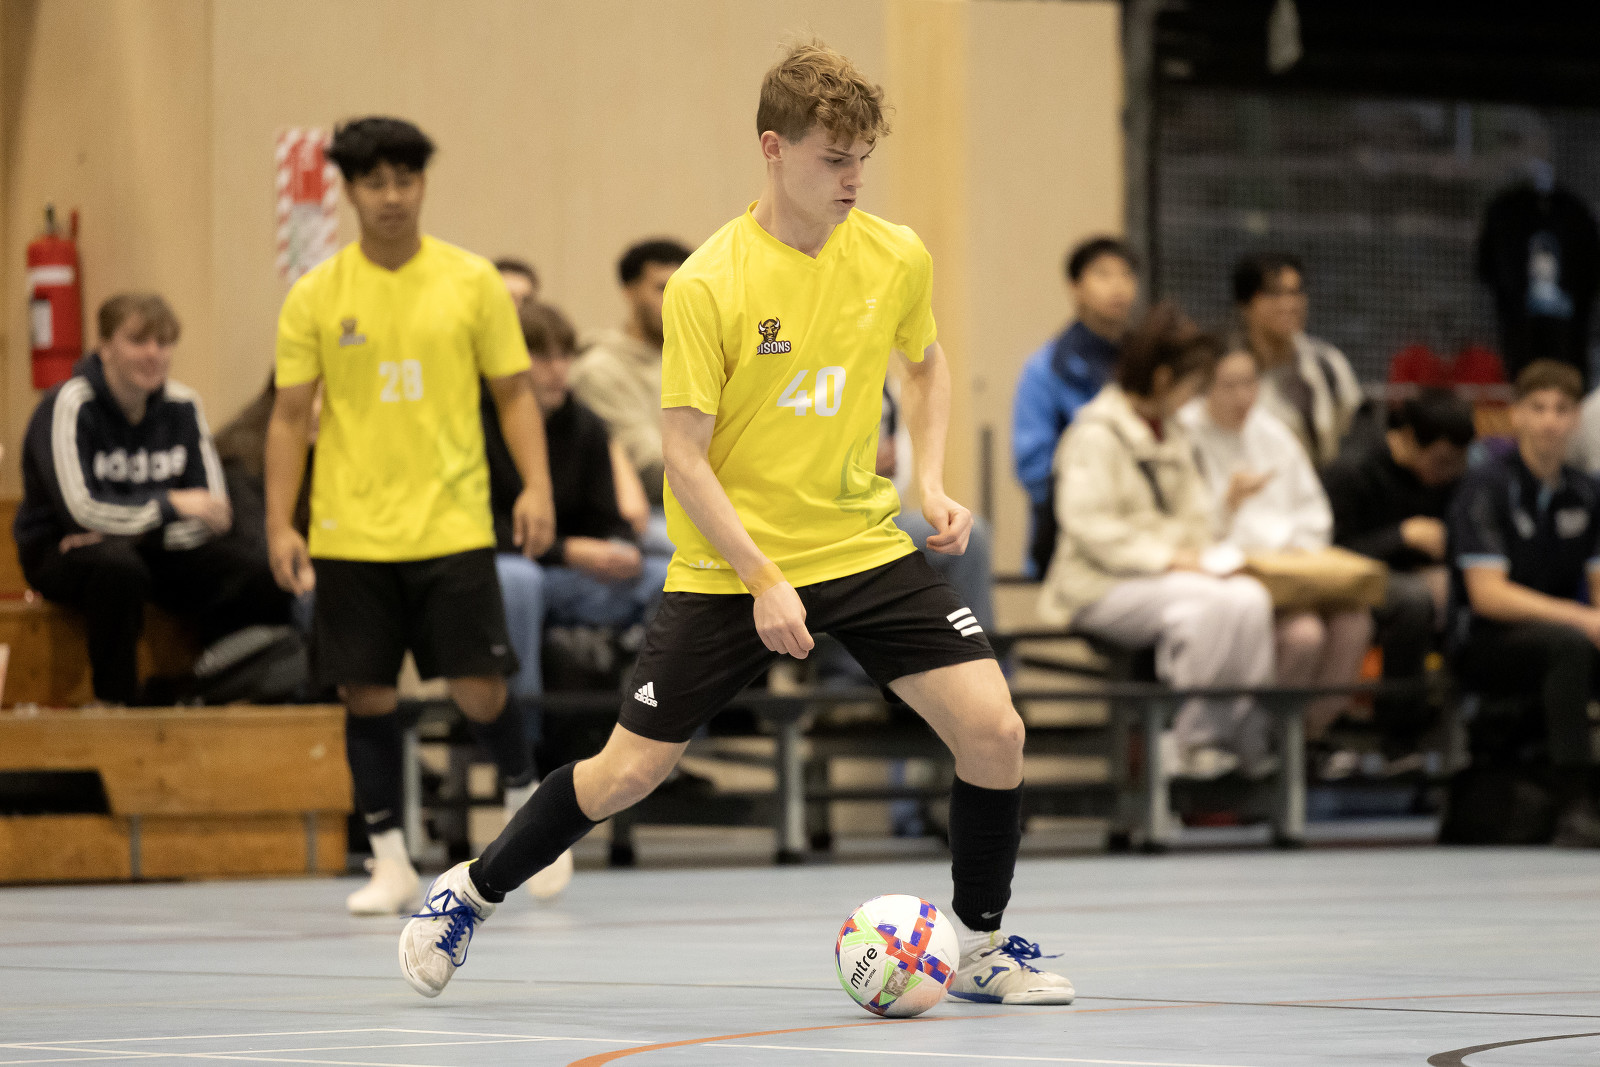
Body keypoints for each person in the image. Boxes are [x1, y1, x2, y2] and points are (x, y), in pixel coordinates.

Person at [400, 40, 1074, 1006]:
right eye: (832, 159)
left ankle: (982, 945)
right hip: (732, 565)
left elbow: (924, 367)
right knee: (627, 773)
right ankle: (469, 891)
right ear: (773, 148)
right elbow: (684, 458)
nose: (852, 179)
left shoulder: (895, 254)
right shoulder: (708, 283)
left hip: (859, 544)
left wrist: (930, 483)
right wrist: (763, 578)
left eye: (862, 159)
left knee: (995, 729)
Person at [264, 116, 556, 917]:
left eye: (405, 179)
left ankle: (530, 811)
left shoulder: (472, 281)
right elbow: (288, 416)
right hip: (349, 531)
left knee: (478, 689)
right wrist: (281, 523)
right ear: (350, 191)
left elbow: (514, 394)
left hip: (452, 524)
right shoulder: (316, 294)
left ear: (423, 184)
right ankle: (390, 860)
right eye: (374, 182)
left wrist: (535, 486)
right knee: (364, 693)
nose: (391, 196)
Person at [1039, 303, 1276, 779]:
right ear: (1165, 379)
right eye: (1193, 385)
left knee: (1251, 599)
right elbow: (1089, 526)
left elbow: (1193, 519)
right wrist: (1169, 558)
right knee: (1208, 606)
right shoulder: (1095, 433)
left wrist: (1224, 509)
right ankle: (1188, 742)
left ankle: (1243, 739)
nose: (1195, 397)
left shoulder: (1174, 432)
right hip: (1099, 585)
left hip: (1166, 576)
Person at [15, 293, 288, 705]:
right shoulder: (68, 405)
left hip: (150, 546)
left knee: (255, 570)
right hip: (62, 552)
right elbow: (80, 511)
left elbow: (215, 512)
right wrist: (170, 505)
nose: (153, 354)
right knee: (117, 568)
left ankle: (222, 687)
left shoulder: (183, 404)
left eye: (163, 343)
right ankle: (118, 706)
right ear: (104, 346)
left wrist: (134, 531)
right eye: (138, 341)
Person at [1178, 346, 1372, 767]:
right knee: (1304, 636)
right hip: (1226, 571)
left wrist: (1297, 548)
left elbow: (1313, 512)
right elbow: (1185, 530)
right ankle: (1260, 740)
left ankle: (1310, 736)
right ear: (1204, 388)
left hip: (1290, 570)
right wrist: (1228, 504)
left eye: (1250, 383)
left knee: (1354, 622)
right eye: (1229, 385)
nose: (1242, 396)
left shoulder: (1273, 433)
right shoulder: (1184, 435)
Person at [1447, 360, 1600, 845]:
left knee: (1575, 642)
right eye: (1538, 408)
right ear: (1515, 415)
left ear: (1576, 419)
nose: (1550, 420)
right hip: (1486, 642)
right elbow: (1488, 595)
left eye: (1562, 409)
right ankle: (1576, 803)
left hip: (1563, 632)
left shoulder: (1586, 492)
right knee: (1569, 645)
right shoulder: (1487, 486)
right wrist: (1581, 617)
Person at [1322, 389, 1474, 748]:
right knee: (1413, 598)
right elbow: (1331, 553)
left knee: (1468, 590)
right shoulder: (1353, 470)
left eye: (1458, 463)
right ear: (1407, 439)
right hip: (1351, 580)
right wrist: (1402, 537)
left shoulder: (1451, 480)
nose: (1448, 472)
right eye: (1441, 461)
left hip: (1423, 575)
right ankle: (1400, 729)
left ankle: (1465, 720)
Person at [1010, 237, 1138, 577]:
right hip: (1072, 536)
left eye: (1126, 275)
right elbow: (1033, 467)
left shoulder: (1146, 364)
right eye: (1103, 274)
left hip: (1143, 522)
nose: (1118, 286)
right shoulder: (1046, 368)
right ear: (1075, 287)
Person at [569, 238, 694, 545]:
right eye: (662, 288)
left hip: (700, 497)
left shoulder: (700, 356)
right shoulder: (600, 370)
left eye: (684, 288)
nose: (675, 300)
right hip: (643, 513)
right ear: (629, 291)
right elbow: (649, 468)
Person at [1232, 252, 1362, 467]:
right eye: (1274, 293)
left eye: (1295, 293)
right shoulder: (1226, 374)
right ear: (1245, 304)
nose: (1289, 304)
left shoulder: (1326, 364)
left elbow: (1354, 431)